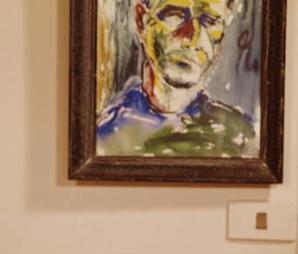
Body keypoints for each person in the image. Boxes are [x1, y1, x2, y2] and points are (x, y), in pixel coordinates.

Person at [97, 0, 256, 157]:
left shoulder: (242, 136)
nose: (192, 40)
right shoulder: (104, 136)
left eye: (210, 21)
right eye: (175, 15)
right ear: (141, 21)